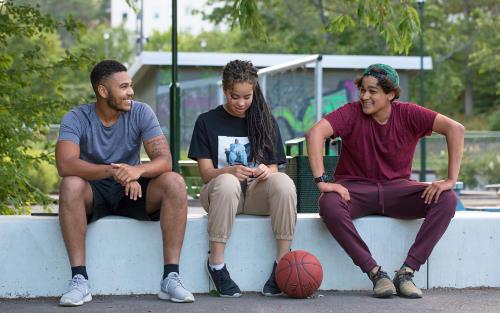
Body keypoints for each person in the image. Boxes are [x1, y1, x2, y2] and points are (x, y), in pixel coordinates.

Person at [306, 64, 464, 298]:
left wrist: (451, 179)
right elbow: (315, 133)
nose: (364, 97)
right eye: (362, 90)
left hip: (398, 190)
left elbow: (455, 129)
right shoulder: (350, 112)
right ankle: (376, 273)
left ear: (390, 94)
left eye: (373, 91)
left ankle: (406, 273)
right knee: (328, 203)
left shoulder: (409, 113)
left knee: (447, 199)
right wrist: (322, 182)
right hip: (356, 190)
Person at [56, 60, 194, 306]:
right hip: (93, 191)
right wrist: (114, 171)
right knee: (70, 185)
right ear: (103, 91)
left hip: (132, 191)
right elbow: (66, 165)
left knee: (174, 182)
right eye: (123, 87)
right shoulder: (76, 118)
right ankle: (79, 280)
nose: (130, 92)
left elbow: (165, 161)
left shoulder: (141, 112)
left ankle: (171, 277)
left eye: (130, 86)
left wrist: (137, 171)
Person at [188, 60, 297, 297]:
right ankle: (216, 265)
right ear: (225, 90)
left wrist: (268, 171)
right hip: (221, 196)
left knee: (284, 182)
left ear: (254, 90)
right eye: (234, 96)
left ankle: (282, 263)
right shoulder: (206, 121)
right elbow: (206, 174)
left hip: (256, 194)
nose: (241, 103)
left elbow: (274, 169)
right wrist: (228, 172)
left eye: (247, 96)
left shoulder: (265, 120)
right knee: (227, 183)